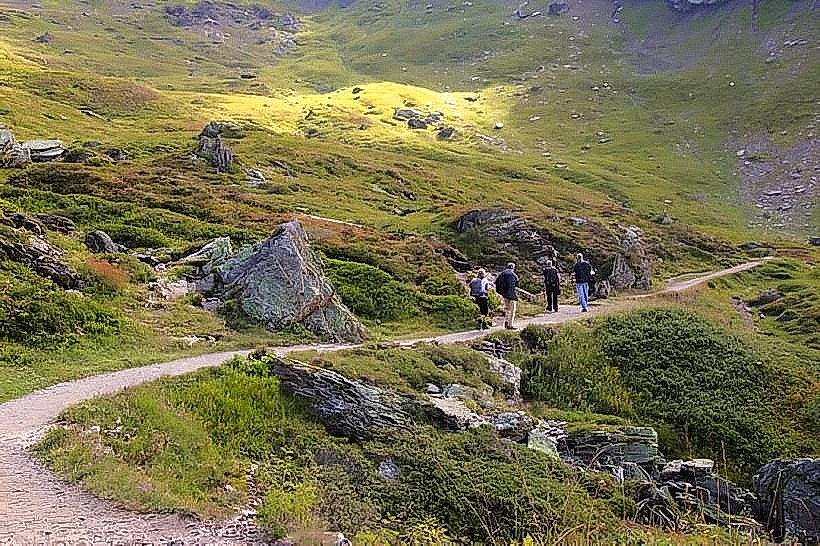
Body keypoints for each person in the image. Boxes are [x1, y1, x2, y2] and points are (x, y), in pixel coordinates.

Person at [495, 262, 519, 329]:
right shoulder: (513, 274)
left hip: (504, 294)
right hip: (512, 294)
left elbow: (496, 282)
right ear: (513, 267)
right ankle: (510, 324)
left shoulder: (502, 273)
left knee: (507, 308)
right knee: (512, 310)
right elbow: (517, 283)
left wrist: (500, 292)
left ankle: (506, 321)